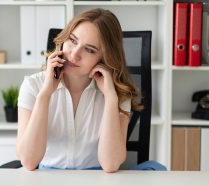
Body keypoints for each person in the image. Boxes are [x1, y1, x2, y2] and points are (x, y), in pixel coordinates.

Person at [16, 8, 165, 172]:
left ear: (104, 58)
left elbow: (110, 164)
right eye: (72, 40)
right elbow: (29, 162)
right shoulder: (33, 86)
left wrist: (110, 98)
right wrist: (45, 95)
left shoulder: (117, 94)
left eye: (89, 49)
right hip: (48, 183)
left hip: (96, 184)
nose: (74, 54)